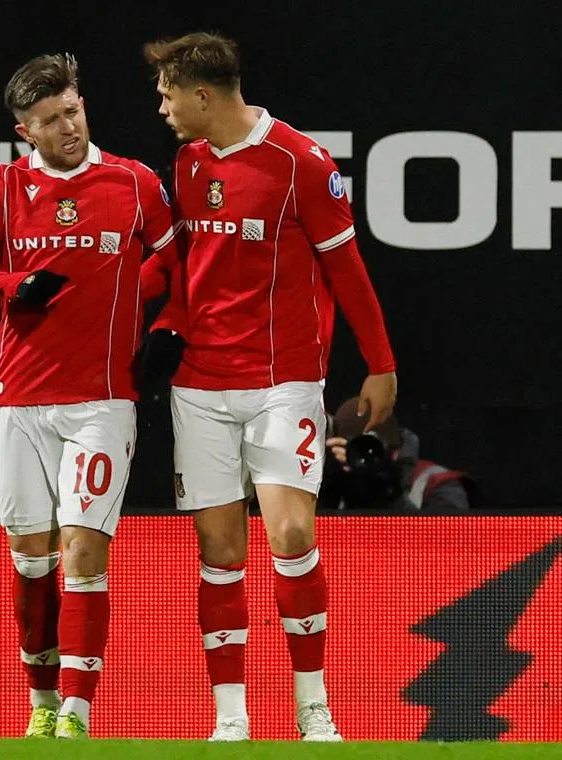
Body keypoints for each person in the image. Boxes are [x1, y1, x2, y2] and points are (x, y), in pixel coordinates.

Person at [140, 32, 398, 742]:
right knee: (220, 553)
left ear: (202, 95)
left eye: (167, 94)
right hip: (200, 386)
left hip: (284, 381)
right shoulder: (188, 164)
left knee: (289, 534)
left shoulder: (301, 162)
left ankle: (313, 706)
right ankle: (231, 720)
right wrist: (166, 324)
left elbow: (347, 271)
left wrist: (381, 363)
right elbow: (192, 272)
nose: (160, 108)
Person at [0, 53, 179, 739]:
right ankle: (41, 699)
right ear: (25, 130)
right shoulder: (5, 187)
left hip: (102, 399)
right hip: (18, 400)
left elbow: (178, 258)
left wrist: (152, 303)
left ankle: (77, 710)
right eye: (50, 121)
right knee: (31, 558)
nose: (68, 127)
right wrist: (9, 285)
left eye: (72, 111)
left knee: (84, 548)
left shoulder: (133, 181)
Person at [321, 397, 477, 511]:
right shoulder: (340, 483)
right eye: (355, 451)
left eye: (370, 449)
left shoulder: (436, 483)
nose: (363, 459)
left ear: (396, 447)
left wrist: (386, 492)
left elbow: (448, 544)